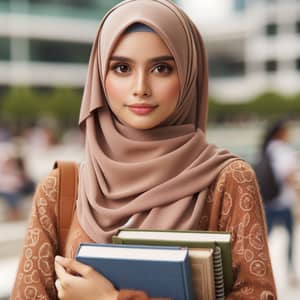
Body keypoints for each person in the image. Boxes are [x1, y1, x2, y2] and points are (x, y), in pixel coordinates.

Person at [11, 0, 277, 299]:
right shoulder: (61, 190)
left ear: (189, 75)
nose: (141, 87)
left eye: (161, 68)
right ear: (100, 76)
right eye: (122, 68)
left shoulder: (227, 181)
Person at [259, 118, 299, 285]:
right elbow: (288, 177)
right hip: (283, 202)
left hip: (267, 201)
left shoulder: (265, 149)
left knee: (263, 240)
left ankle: (259, 271)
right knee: (290, 240)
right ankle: (290, 273)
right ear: (281, 132)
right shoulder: (284, 151)